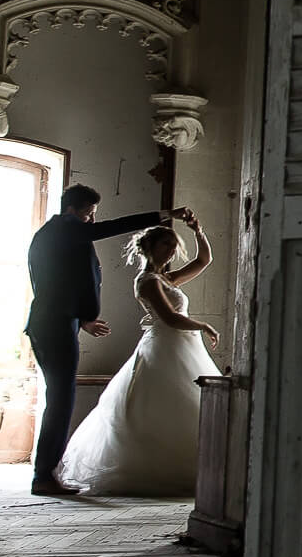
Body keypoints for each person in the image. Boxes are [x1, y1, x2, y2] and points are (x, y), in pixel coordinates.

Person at [24, 186, 190, 497]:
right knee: (61, 399)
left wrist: (82, 317)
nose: (92, 219)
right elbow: (109, 229)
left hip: (57, 321)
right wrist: (167, 214)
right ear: (78, 209)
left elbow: (58, 281)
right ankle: (43, 476)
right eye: (90, 212)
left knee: (60, 397)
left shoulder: (54, 235)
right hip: (55, 324)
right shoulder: (66, 228)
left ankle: (46, 473)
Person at [55, 210, 220, 496]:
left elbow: (204, 261)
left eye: (172, 245)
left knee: (192, 403)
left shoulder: (166, 278)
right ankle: (159, 470)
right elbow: (169, 318)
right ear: (150, 247)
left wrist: (198, 230)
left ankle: (201, 468)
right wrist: (203, 324)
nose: (171, 250)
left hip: (182, 345)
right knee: (163, 406)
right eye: (165, 245)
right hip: (164, 345)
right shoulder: (148, 281)